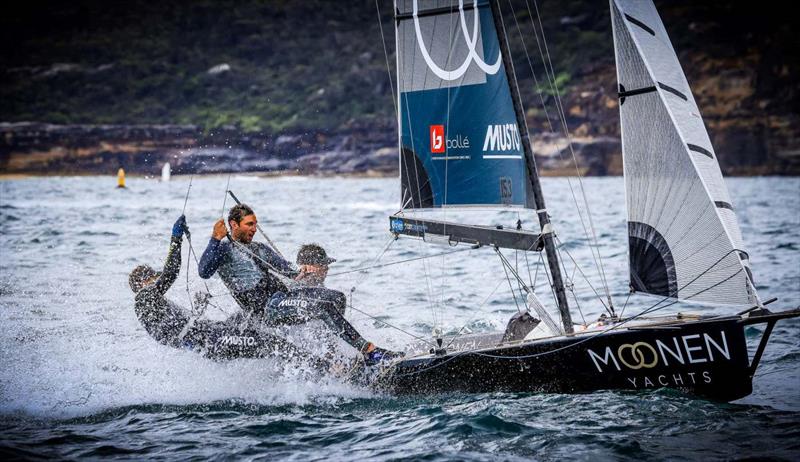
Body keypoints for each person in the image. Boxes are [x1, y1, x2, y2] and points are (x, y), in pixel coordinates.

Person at [130, 215, 329, 369]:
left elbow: (174, 331)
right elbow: (171, 272)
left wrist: (198, 310)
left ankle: (309, 360)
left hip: (210, 336)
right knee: (271, 343)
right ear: (144, 283)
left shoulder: (149, 308)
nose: (158, 282)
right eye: (154, 279)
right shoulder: (145, 297)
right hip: (212, 339)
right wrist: (176, 238)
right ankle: (327, 368)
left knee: (249, 321)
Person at [267, 243, 403, 366]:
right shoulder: (295, 280)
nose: (327, 269)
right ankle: (367, 352)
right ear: (311, 267)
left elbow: (327, 328)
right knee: (335, 298)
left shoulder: (320, 289)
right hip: (277, 312)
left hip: (306, 324)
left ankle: (334, 358)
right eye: (323, 265)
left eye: (327, 265)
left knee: (334, 300)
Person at [198, 204, 296, 315]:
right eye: (249, 224)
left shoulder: (260, 248)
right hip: (260, 309)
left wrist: (304, 269)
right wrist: (215, 238)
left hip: (282, 300)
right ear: (234, 224)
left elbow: (287, 269)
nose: (254, 229)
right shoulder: (223, 249)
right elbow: (204, 272)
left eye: (255, 225)